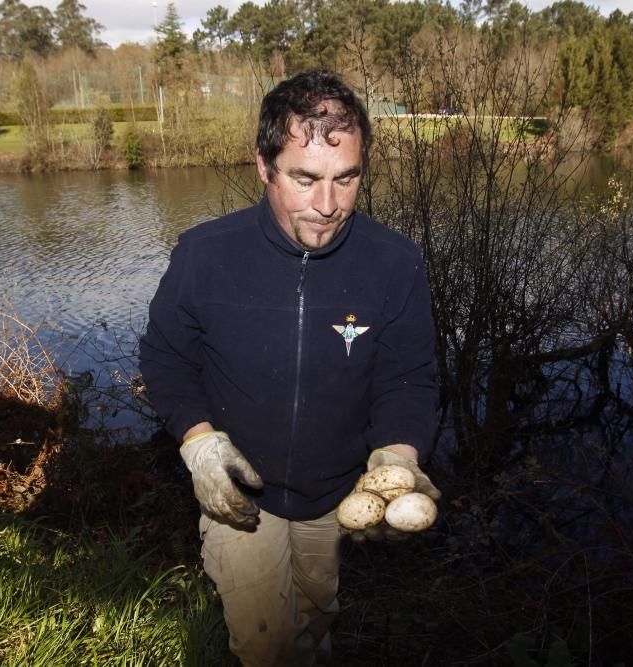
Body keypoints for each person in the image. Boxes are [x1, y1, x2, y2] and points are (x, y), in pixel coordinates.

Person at [139, 69, 440, 666]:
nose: (328, 206)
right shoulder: (205, 255)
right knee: (268, 645)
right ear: (264, 166)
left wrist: (397, 457)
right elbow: (166, 357)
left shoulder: (395, 262)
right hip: (241, 499)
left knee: (315, 617)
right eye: (305, 179)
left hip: (336, 494)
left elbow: (409, 378)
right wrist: (199, 443)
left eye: (346, 178)